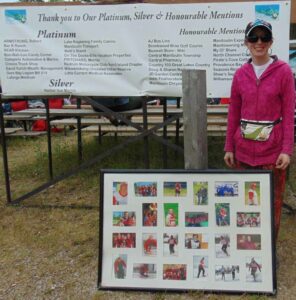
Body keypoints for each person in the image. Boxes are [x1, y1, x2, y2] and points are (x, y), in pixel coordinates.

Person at [224, 19, 295, 240]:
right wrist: (229, 146)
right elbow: (234, 112)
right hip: (243, 151)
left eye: (264, 37)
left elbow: (290, 112)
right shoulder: (240, 74)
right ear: (246, 42)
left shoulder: (283, 72)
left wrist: (286, 150)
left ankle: (269, 253)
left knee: (271, 206)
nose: (259, 42)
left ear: (271, 41)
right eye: (254, 37)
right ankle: (245, 250)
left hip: (272, 154)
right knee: (244, 205)